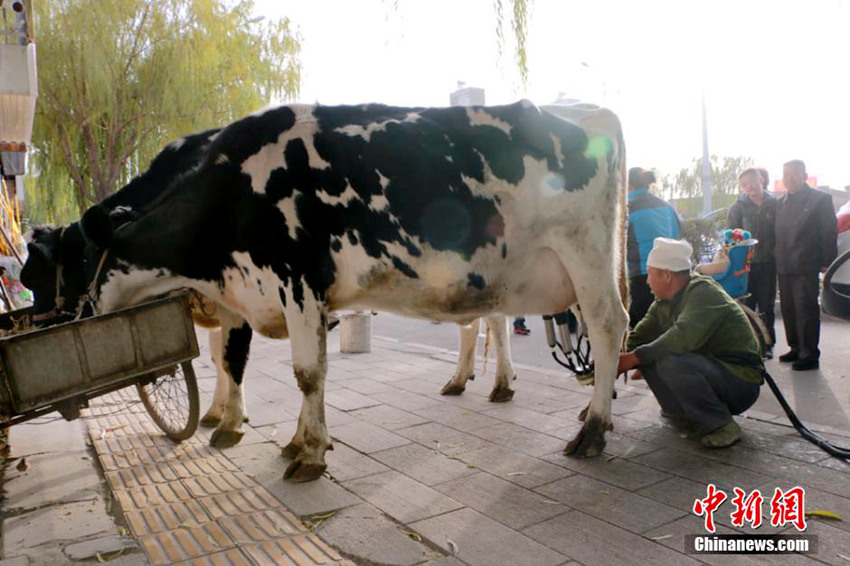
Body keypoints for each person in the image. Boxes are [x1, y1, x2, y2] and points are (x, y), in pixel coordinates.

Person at [618, 237, 763, 448]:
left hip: (740, 381)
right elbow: (637, 338)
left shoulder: (704, 293)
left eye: (650, 274)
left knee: (668, 358)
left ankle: (720, 425)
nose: (647, 281)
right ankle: (681, 413)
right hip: (713, 373)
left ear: (666, 275)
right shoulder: (663, 303)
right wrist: (613, 362)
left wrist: (633, 358)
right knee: (645, 354)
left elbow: (680, 338)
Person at [774, 160, 838, 371]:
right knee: (789, 309)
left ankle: (809, 354)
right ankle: (796, 347)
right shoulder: (781, 202)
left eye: (794, 174)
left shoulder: (820, 199)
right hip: (784, 263)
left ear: (804, 175)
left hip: (806, 263)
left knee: (806, 309)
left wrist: (827, 261)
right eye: (786, 174)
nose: (789, 178)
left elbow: (828, 231)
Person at [727, 168, 778, 358]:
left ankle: (768, 344)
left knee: (767, 305)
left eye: (752, 182)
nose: (749, 187)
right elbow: (730, 236)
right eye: (745, 184)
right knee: (748, 304)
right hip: (746, 266)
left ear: (761, 180)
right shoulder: (738, 208)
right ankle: (751, 344)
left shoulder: (775, 204)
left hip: (769, 263)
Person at [627, 167, 681, 328]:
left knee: (643, 328)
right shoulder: (667, 206)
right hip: (671, 273)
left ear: (628, 185)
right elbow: (677, 237)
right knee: (667, 324)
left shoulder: (627, 209)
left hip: (643, 275)